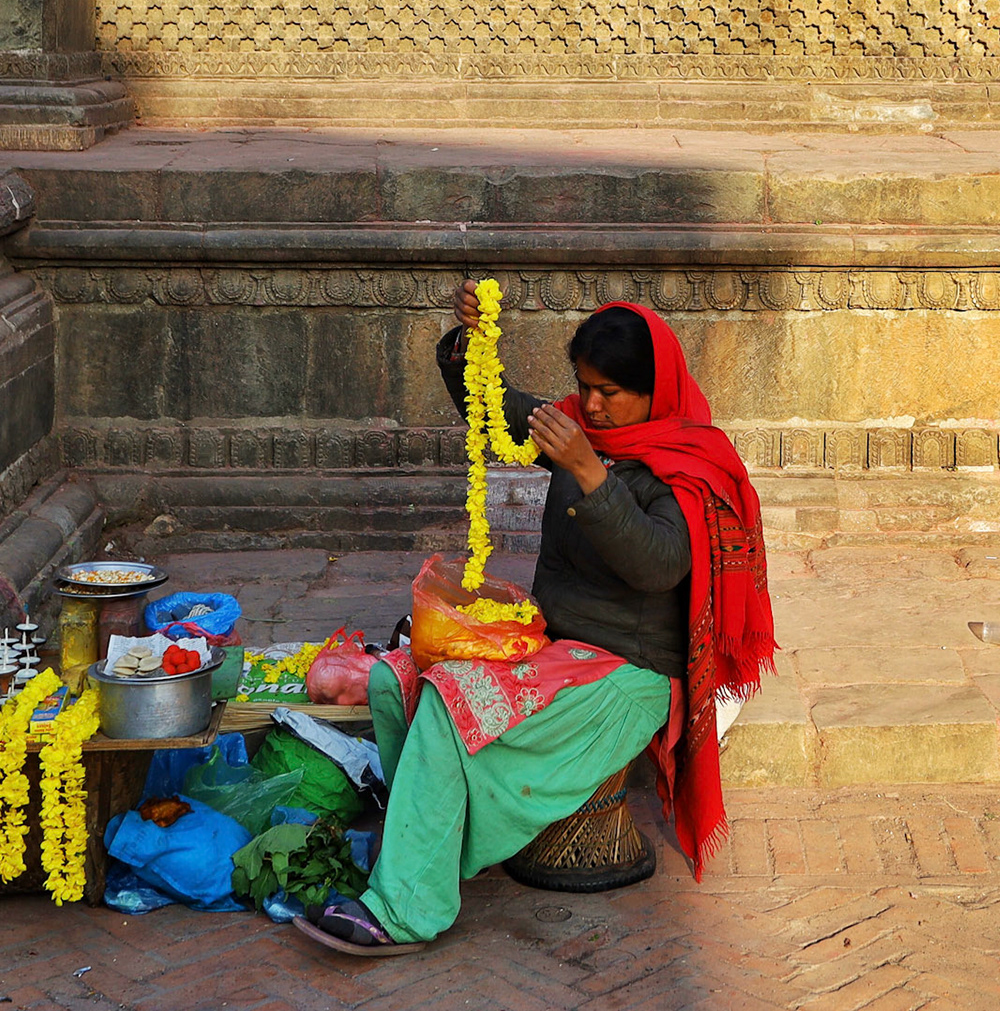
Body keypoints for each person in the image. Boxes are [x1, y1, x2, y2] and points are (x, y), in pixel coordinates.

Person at [296, 281, 775, 955]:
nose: (596, 405)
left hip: (628, 677)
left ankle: (406, 910)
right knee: (395, 677)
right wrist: (470, 344)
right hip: (556, 650)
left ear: (653, 390)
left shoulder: (689, 462)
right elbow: (494, 409)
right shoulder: (583, 426)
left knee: (447, 696)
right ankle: (414, 859)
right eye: (586, 386)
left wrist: (590, 472)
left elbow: (660, 563)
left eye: (611, 391)